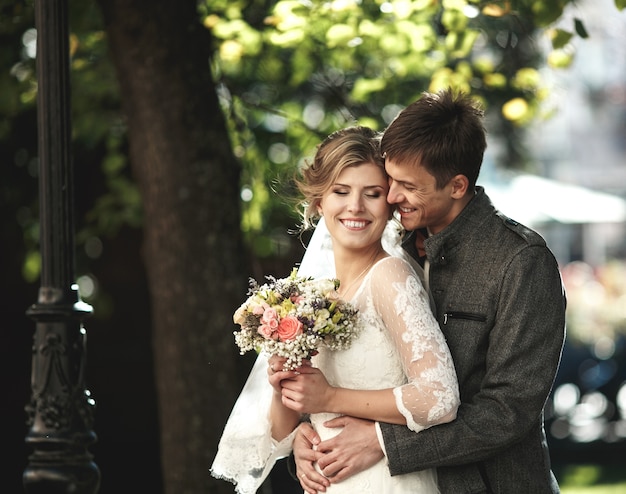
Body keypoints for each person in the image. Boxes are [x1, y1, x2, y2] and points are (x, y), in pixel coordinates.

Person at [292, 89, 567, 494]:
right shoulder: (388, 244)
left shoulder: (521, 263)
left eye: (406, 185)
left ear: (456, 186)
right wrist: (307, 434)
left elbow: (507, 412)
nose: (390, 196)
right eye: (390, 180)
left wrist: (384, 442)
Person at [211, 125, 460, 493]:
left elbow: (440, 398)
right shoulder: (313, 297)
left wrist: (328, 398)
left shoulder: (388, 276)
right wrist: (295, 415)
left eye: (372, 194)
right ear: (318, 201)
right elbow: (280, 433)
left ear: (389, 204)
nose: (355, 207)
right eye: (341, 192)